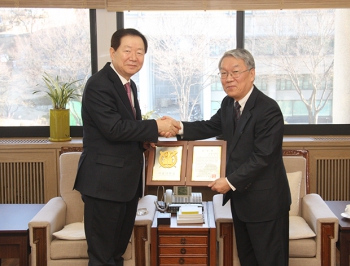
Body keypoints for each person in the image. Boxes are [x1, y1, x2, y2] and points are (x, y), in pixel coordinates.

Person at [174, 48, 291, 265]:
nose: (228, 79)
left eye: (235, 72)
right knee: (248, 259)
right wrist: (177, 127)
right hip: (242, 202)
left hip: (266, 204)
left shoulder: (268, 110)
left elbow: (262, 157)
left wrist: (229, 182)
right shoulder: (229, 104)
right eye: (223, 73)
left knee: (270, 261)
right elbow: (209, 126)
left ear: (252, 73)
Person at [73, 28, 180, 266]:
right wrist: (156, 126)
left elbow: (127, 129)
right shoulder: (99, 84)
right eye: (128, 50)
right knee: (102, 256)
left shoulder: (129, 86)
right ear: (112, 52)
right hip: (104, 185)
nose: (134, 57)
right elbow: (114, 128)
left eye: (140, 52)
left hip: (125, 185)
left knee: (116, 253)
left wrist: (145, 139)